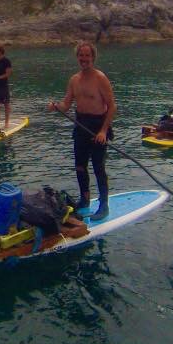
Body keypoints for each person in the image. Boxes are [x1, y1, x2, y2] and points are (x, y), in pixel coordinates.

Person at [47, 42, 116, 219]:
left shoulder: (100, 78)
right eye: (81, 55)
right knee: (80, 167)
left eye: (87, 55)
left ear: (93, 57)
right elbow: (66, 104)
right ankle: (84, 200)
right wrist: (56, 107)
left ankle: (104, 205)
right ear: (77, 57)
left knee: (98, 167)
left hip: (98, 126)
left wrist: (103, 131)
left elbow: (112, 106)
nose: (84, 59)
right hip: (81, 125)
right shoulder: (74, 80)